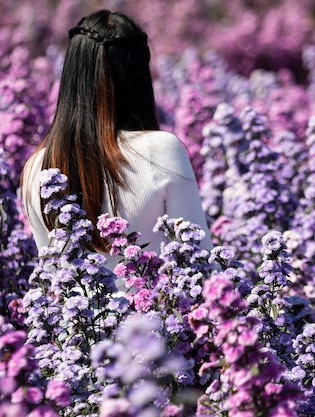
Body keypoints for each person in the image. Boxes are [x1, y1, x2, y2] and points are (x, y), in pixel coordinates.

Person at [21, 9, 213, 271]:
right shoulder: (162, 149)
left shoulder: (36, 166)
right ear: (139, 79)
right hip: (154, 311)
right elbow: (200, 264)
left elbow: (52, 279)